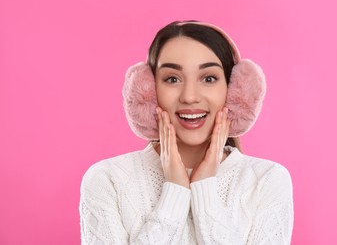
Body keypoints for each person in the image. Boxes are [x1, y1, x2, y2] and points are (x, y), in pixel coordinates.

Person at [79, 21, 294, 244]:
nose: (190, 96)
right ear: (149, 92)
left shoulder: (267, 180)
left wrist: (205, 193)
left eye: (209, 78)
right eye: (172, 79)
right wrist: (174, 193)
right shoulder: (108, 180)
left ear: (235, 92)